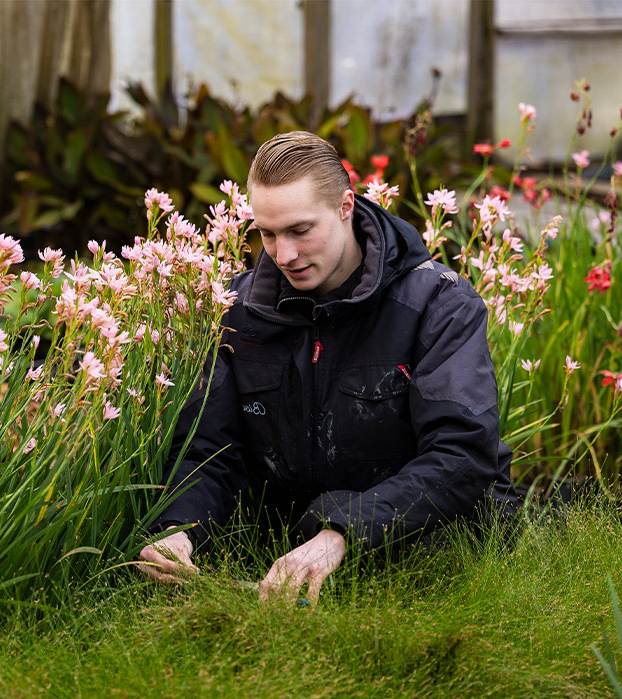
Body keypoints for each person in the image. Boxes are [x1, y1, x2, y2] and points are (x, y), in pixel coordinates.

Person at [138, 131, 519, 602]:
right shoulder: (236, 311)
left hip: (428, 538)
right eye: (267, 233)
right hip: (290, 545)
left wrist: (343, 532)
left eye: (300, 230)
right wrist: (181, 527)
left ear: (345, 206)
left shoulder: (439, 303)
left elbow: (462, 456)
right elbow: (214, 450)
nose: (284, 255)